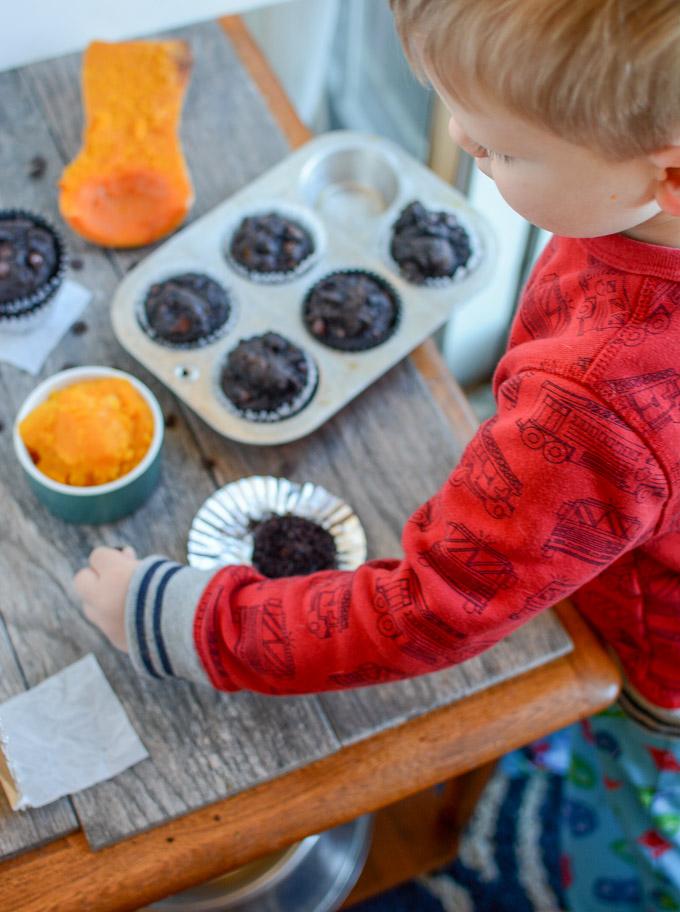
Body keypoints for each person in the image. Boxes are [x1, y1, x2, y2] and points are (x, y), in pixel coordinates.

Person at [74, 1, 680, 908]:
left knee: (617, 789)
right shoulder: (631, 206)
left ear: (669, 175)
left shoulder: (593, 405)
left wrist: (178, 619)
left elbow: (431, 609)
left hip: (647, 663)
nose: (463, 141)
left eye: (500, 152)